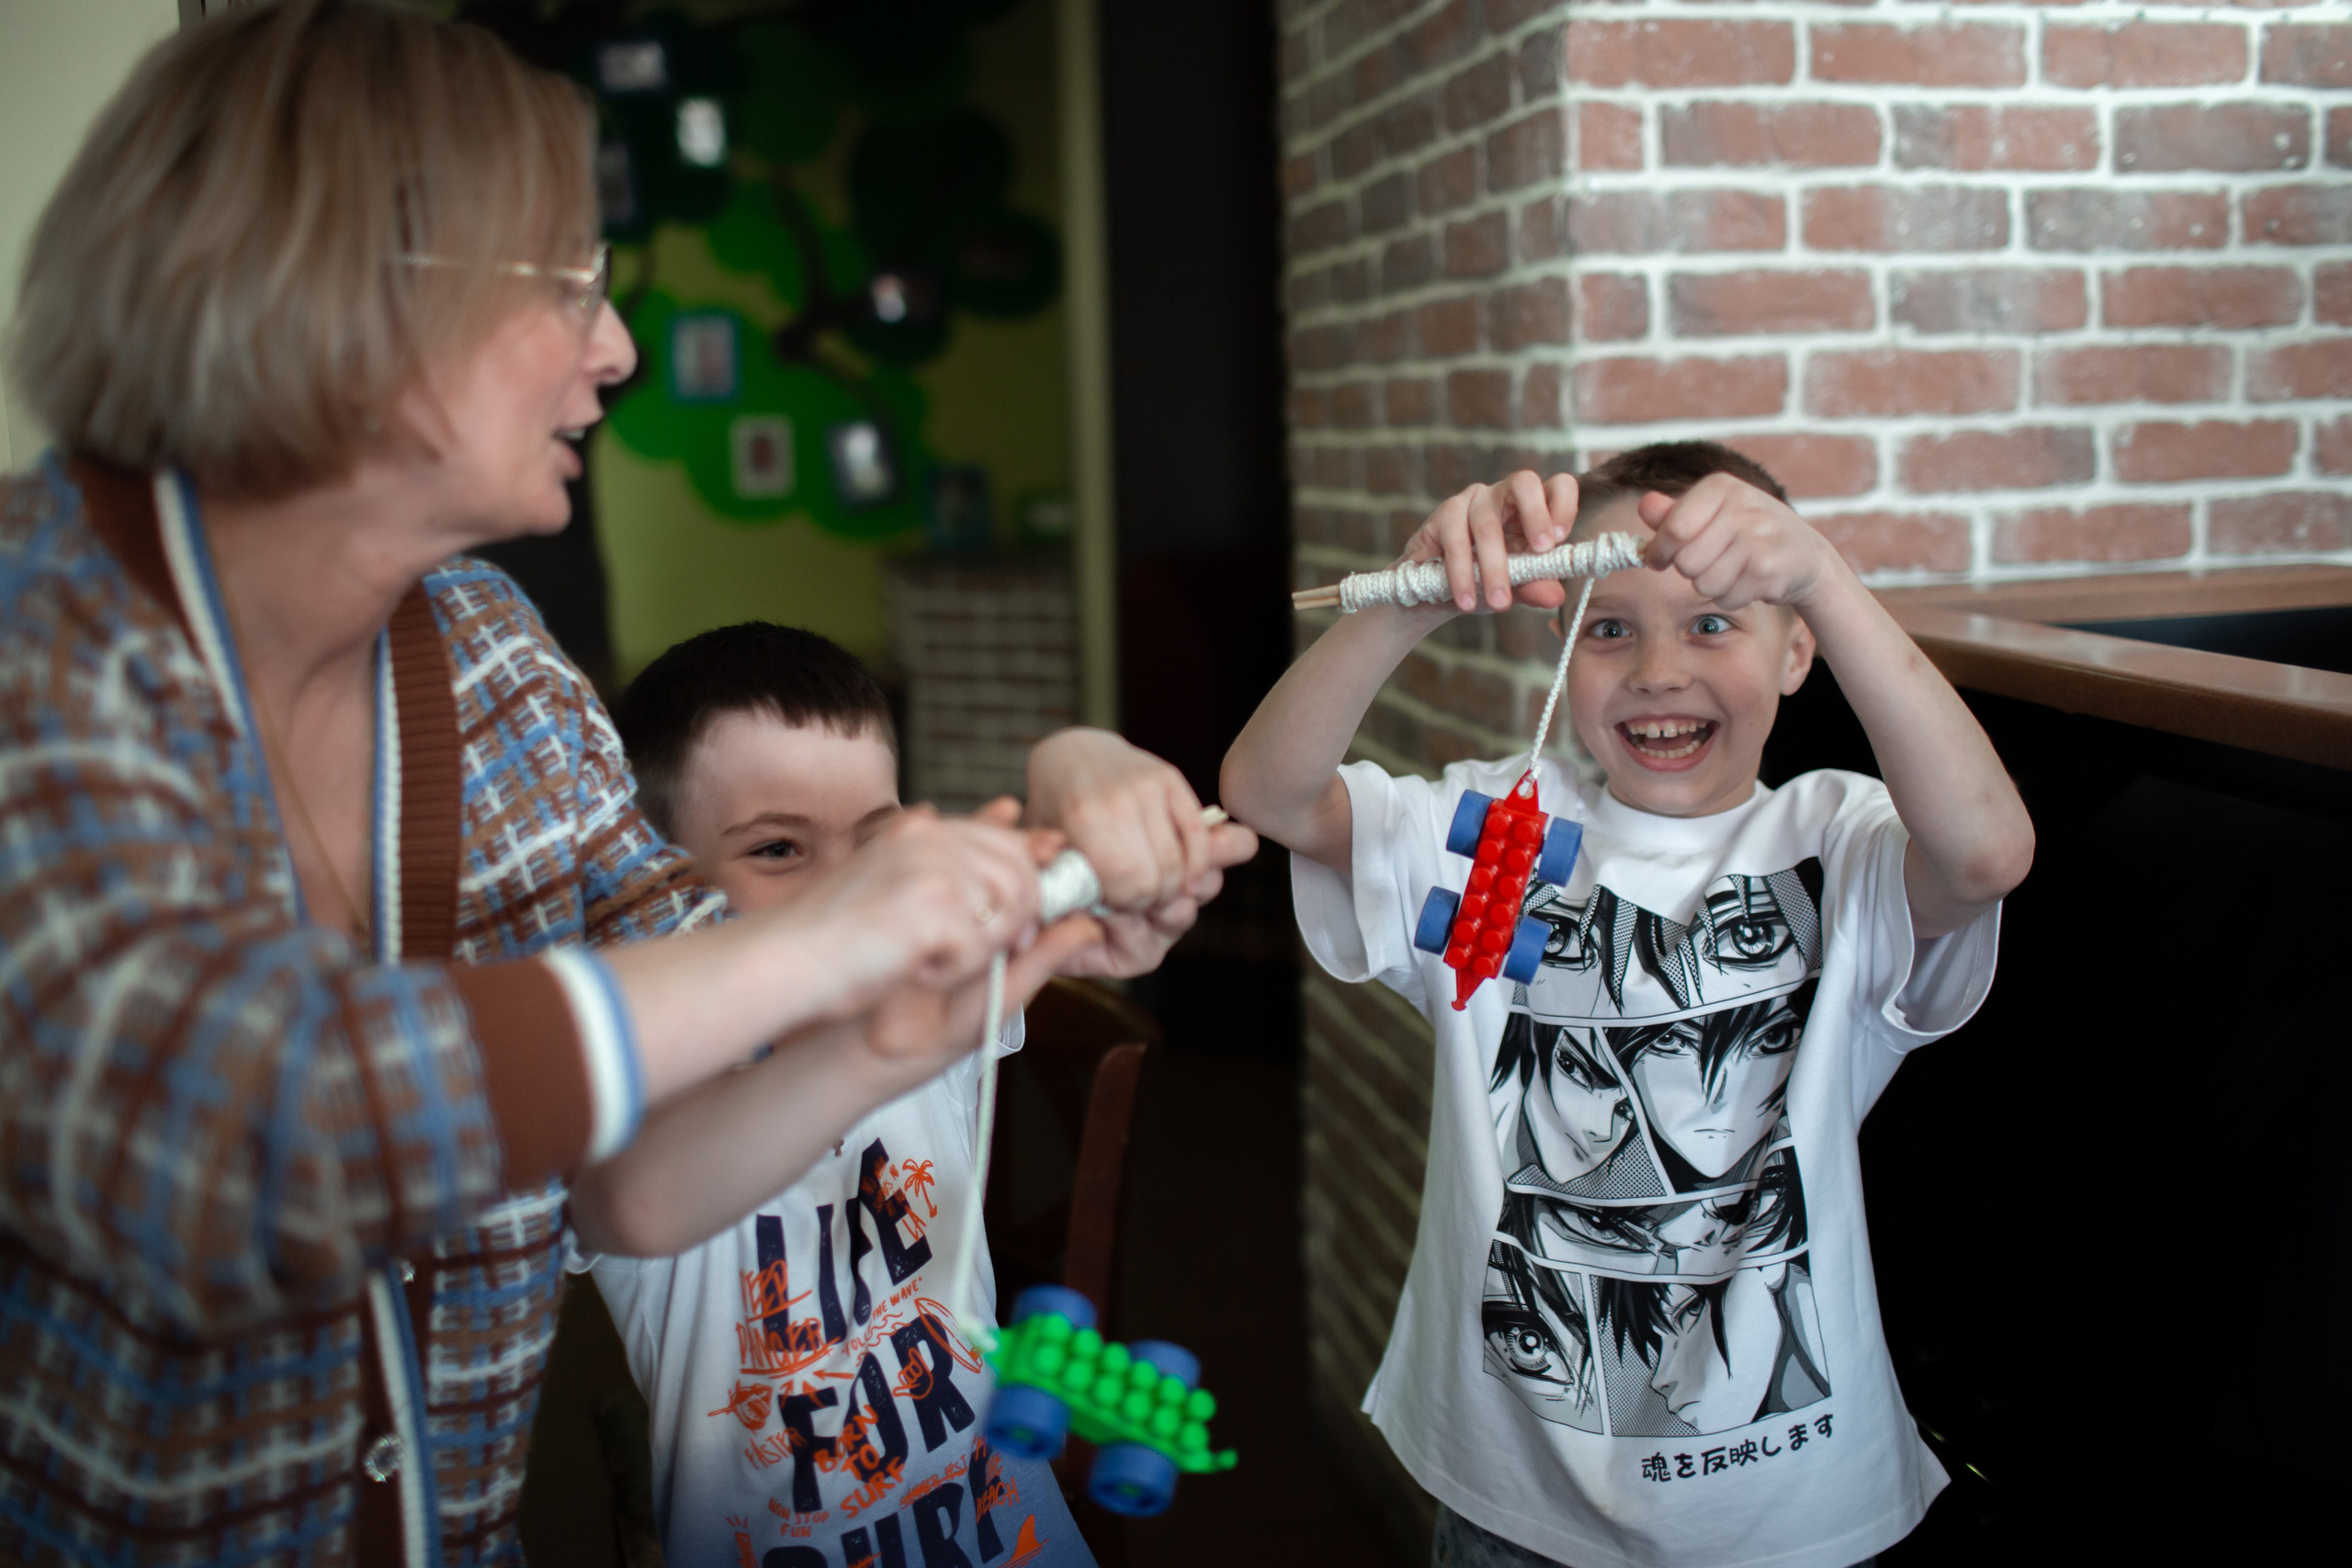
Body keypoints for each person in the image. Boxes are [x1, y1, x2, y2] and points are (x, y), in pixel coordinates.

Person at [0, 6, 1241, 1563]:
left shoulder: (497, 659)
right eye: (569, 282)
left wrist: (900, 1017)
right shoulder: (34, 643)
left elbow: (644, 1180)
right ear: (356, 288)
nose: (619, 349)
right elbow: (240, 1133)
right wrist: (836, 936)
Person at [1221, 441, 2033, 1568]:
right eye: (1609, 629)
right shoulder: (1494, 839)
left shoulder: (1838, 844)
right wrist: (1414, 593)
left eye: (1713, 623)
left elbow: (1987, 855)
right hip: (1512, 1500)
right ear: (1560, 639)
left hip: (1789, 1510)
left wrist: (1824, 579)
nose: (1657, 669)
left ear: (1797, 649)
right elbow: (1269, 794)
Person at [572, 624, 1227, 1568]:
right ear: (665, 887)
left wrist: (1076, 754)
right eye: (779, 850)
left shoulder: (931, 994)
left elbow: (1081, 857)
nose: (853, 893)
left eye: (876, 845)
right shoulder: (640, 1094)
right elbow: (627, 1194)